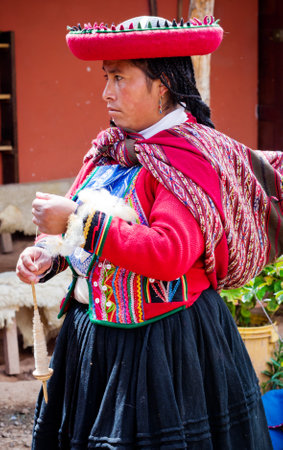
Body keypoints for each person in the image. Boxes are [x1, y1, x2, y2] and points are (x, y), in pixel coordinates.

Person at [16, 15, 282, 449]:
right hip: (93, 343)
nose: (106, 92)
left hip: (164, 351)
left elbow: (169, 253)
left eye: (120, 78)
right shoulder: (110, 149)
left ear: (162, 86)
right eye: (106, 77)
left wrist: (76, 222)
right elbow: (76, 227)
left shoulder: (188, 159)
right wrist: (48, 254)